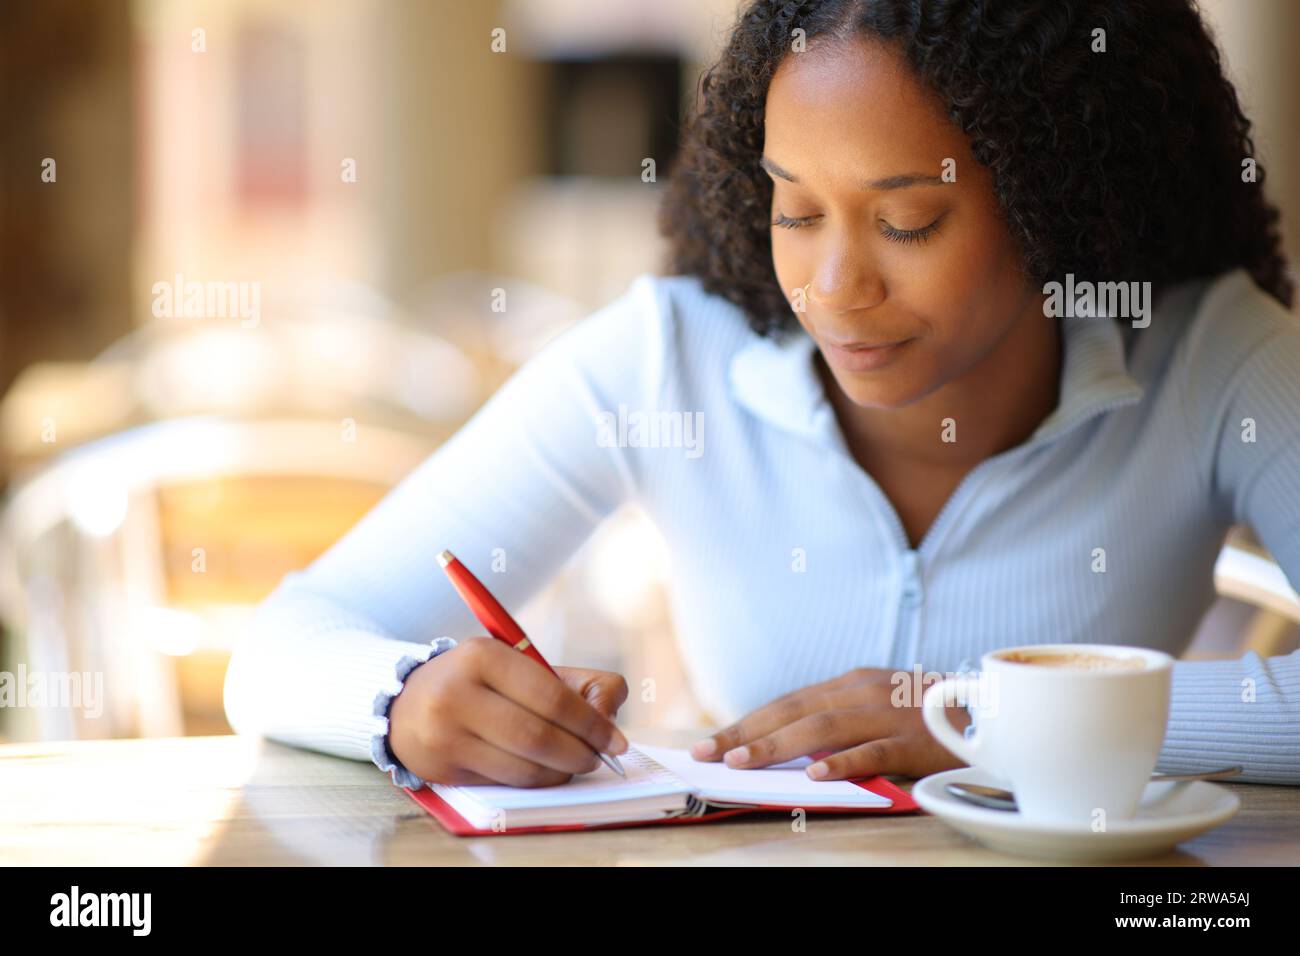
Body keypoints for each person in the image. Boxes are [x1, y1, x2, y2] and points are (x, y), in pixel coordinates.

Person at [224, 0, 1300, 788]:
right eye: (795, 210)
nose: (835, 287)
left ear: (1063, 202)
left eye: (906, 220)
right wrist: (404, 697)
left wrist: (987, 714)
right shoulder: (665, 361)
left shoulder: (1210, 358)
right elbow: (282, 642)